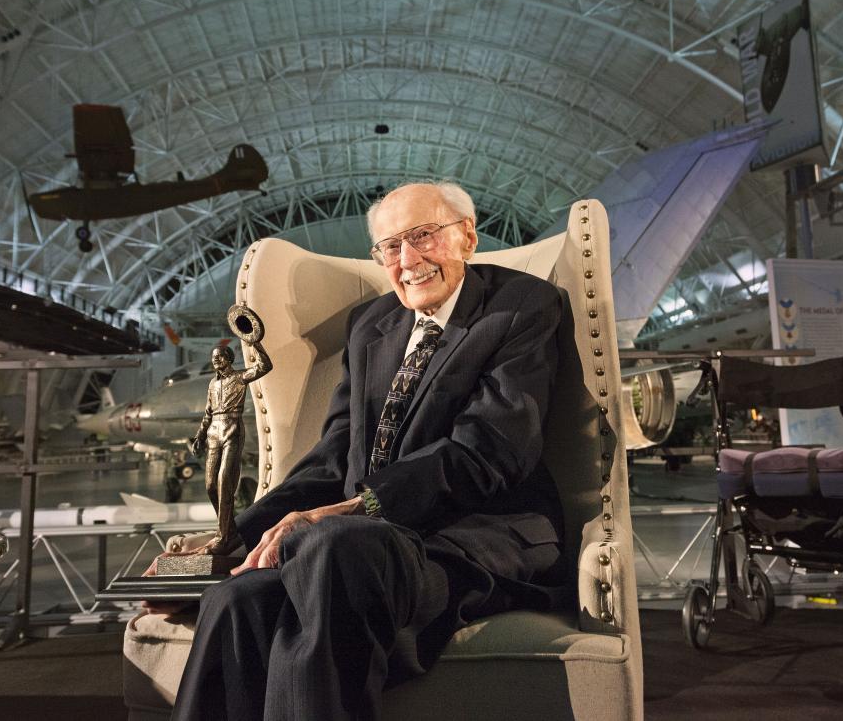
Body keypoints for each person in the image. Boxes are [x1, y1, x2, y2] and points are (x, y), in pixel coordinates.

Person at [156, 181, 567, 721]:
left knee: (334, 547)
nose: (408, 259)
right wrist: (235, 539)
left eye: (423, 236)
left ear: (467, 237)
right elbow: (333, 459)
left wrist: (352, 511)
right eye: (390, 247)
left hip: (477, 534)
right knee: (234, 601)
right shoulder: (372, 325)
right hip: (358, 542)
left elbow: (488, 451)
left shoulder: (521, 306)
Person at [190, 342, 272, 555]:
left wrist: (254, 342)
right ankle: (230, 530)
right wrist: (199, 435)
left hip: (232, 428)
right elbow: (208, 412)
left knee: (225, 481)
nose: (215, 359)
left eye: (219, 356)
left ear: (229, 358)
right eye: (213, 356)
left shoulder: (240, 377)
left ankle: (223, 537)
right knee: (210, 486)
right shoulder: (212, 384)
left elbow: (264, 366)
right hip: (213, 432)